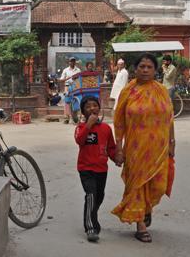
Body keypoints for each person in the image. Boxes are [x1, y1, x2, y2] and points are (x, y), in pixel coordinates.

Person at [111, 53, 175, 243]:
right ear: (135, 69)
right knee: (138, 185)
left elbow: (169, 119)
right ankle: (140, 224)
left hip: (159, 147)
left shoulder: (162, 91)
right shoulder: (128, 92)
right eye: (142, 67)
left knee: (157, 185)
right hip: (136, 148)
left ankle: (146, 209)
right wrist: (119, 148)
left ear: (155, 70)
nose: (145, 70)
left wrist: (172, 142)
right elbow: (119, 122)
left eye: (149, 67)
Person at [74, 96, 117, 243]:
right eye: (88, 107)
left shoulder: (106, 128)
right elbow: (79, 140)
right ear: (83, 112)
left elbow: (111, 148)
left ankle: (92, 215)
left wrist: (117, 158)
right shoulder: (80, 128)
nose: (92, 108)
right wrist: (88, 126)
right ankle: (90, 227)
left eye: (95, 105)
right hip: (86, 168)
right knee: (91, 195)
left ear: (99, 108)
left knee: (99, 197)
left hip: (102, 169)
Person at [60, 57, 81, 124]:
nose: (72, 62)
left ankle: (75, 117)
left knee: (76, 101)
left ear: (75, 62)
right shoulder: (65, 70)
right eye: (71, 61)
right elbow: (61, 79)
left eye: (73, 61)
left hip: (76, 87)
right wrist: (68, 78)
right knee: (67, 102)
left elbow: (80, 79)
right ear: (69, 62)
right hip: (67, 86)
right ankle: (66, 118)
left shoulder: (78, 70)